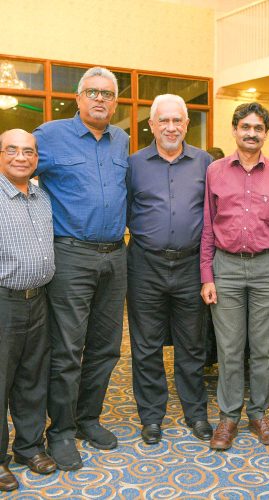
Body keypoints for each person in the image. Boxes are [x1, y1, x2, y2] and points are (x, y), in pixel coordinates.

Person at [33, 67, 129, 470]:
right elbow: (13, 170)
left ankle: (89, 418)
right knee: (68, 349)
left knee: (106, 347)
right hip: (71, 255)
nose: (100, 99)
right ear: (77, 98)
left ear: (115, 102)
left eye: (107, 93)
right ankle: (61, 430)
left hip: (116, 255)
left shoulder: (121, 139)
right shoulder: (50, 135)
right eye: (92, 92)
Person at [200, 102, 269, 450]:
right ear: (235, 130)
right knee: (228, 348)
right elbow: (207, 227)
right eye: (245, 127)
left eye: (258, 128)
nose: (251, 133)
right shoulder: (215, 171)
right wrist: (207, 275)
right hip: (225, 268)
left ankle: (258, 413)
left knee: (265, 349)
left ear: (266, 133)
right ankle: (228, 417)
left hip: (267, 268)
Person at [126, 94, 213, 444]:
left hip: (191, 265)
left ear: (187, 124)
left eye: (177, 120)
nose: (171, 127)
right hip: (145, 265)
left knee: (192, 345)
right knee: (146, 346)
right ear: (151, 125)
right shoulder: (133, 164)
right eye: (164, 120)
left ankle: (196, 413)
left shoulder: (205, 162)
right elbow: (125, 208)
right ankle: (151, 417)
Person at [0, 129, 56, 491]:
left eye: (29, 152)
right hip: (4, 301)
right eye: (12, 150)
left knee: (33, 378)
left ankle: (29, 447)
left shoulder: (41, 196)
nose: (21, 157)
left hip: (39, 299)